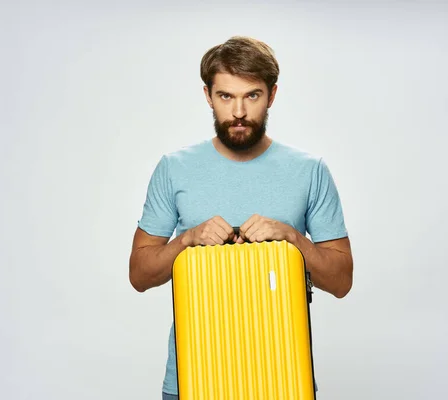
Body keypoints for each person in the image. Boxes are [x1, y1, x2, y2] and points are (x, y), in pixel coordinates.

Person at [129, 36, 353, 400]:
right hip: (194, 380)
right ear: (208, 96)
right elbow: (139, 274)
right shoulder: (174, 169)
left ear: (272, 95)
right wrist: (186, 241)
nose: (238, 112)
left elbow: (341, 281)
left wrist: (293, 239)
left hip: (285, 379)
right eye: (225, 96)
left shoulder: (309, 171)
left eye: (252, 95)